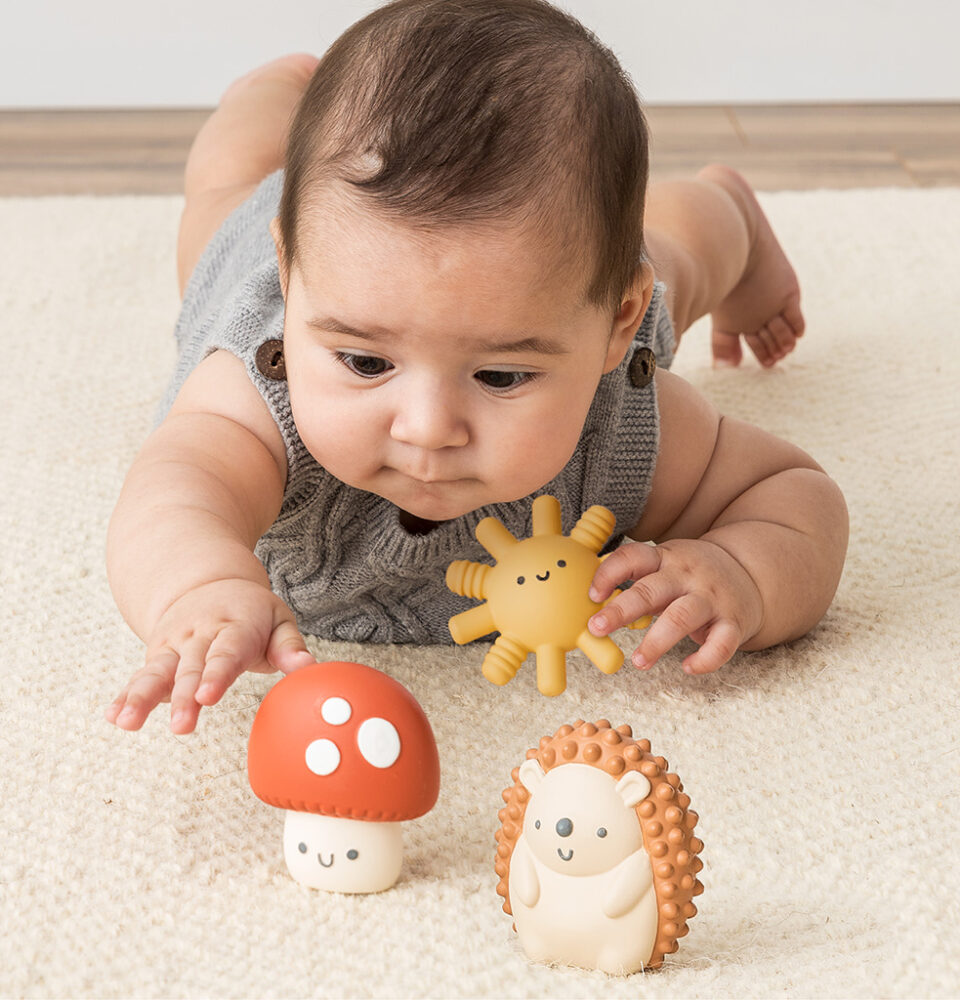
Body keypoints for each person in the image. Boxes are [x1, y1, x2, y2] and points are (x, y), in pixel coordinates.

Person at [106, 0, 848, 734]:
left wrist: (739, 572)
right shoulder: (255, 395)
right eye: (365, 362)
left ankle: (729, 207)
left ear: (615, 327)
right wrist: (200, 587)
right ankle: (272, 93)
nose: (428, 429)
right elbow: (173, 491)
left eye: (500, 376)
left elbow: (793, 494)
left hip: (562, 290)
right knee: (223, 188)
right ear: (293, 278)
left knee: (679, 250)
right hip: (293, 247)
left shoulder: (621, 426)